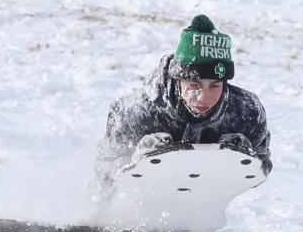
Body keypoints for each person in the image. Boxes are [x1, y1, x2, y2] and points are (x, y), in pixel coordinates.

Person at [95, 14, 272, 189]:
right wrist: (137, 161)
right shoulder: (137, 111)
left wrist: (243, 158)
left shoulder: (246, 112)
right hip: (137, 206)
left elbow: (263, 165)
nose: (204, 96)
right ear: (178, 80)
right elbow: (104, 174)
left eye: (215, 86)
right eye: (194, 85)